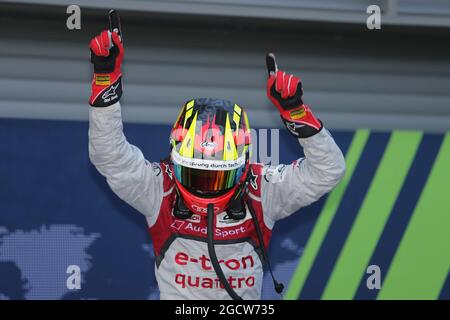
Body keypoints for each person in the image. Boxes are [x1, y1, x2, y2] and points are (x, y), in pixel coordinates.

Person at [88, 29, 346, 300]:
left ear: (243, 165)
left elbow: (328, 171)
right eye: (195, 174)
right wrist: (105, 80)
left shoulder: (263, 190)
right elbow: (108, 156)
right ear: (174, 158)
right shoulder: (158, 188)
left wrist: (297, 114)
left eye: (218, 178)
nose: (207, 189)